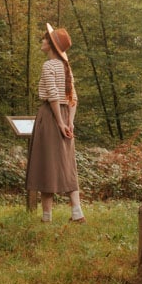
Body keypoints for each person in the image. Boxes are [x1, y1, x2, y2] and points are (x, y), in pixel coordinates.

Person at [26, 23, 85, 224]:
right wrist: (71, 122)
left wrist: (60, 123)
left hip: (51, 117)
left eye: (45, 39)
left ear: (51, 45)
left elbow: (52, 96)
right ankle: (77, 213)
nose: (42, 41)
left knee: (46, 164)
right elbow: (73, 97)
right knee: (67, 164)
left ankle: (46, 217)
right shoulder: (66, 67)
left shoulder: (49, 65)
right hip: (66, 115)